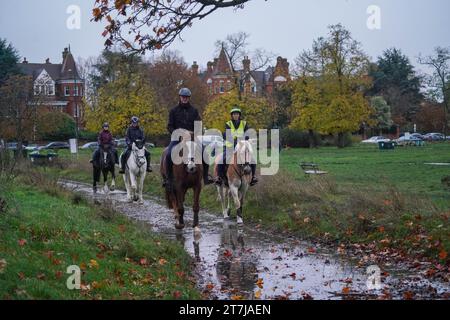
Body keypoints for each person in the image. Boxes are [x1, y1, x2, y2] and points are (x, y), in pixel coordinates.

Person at [163, 87, 214, 188]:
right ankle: (169, 178)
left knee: (205, 153)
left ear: (189, 98)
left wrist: (195, 134)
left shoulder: (194, 111)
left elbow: (198, 125)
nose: (184, 99)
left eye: (186, 97)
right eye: (183, 97)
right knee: (168, 154)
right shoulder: (173, 111)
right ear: (180, 97)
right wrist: (178, 133)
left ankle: (206, 177)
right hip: (177, 139)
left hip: (192, 138)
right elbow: (169, 126)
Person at [215, 107, 258, 186]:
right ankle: (219, 177)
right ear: (232, 115)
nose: (236, 115)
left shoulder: (244, 123)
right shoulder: (228, 124)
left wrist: (245, 141)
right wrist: (236, 142)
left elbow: (247, 134)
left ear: (239, 115)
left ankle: (253, 177)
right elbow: (228, 136)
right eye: (234, 114)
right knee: (221, 159)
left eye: (237, 114)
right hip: (230, 146)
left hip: (241, 146)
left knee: (252, 159)